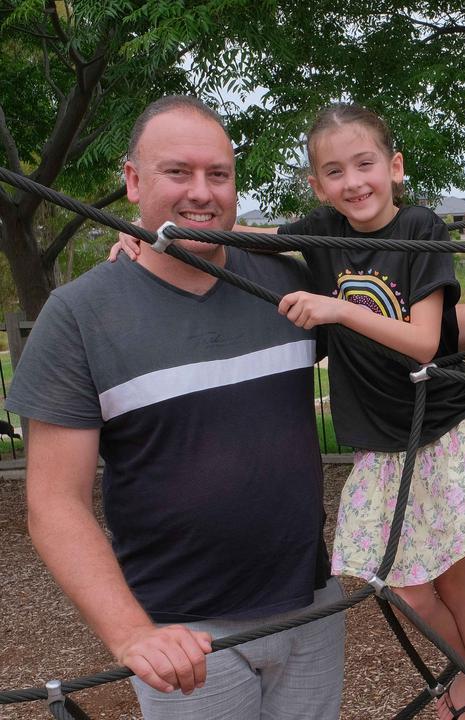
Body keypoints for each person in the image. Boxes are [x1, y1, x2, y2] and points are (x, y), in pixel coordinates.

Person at [9, 96, 345, 719]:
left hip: (314, 603)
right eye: (178, 173)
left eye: (219, 174)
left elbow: (403, 312)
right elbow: (53, 503)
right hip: (185, 635)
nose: (203, 192)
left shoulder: (283, 281)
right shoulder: (81, 315)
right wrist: (130, 633)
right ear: (133, 181)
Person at [260, 103, 465, 720]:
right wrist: (156, 237)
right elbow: (248, 241)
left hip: (443, 429)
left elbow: (425, 341)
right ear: (316, 184)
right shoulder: (325, 232)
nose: (353, 181)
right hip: (382, 441)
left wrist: (341, 310)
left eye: (365, 163)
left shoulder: (420, 227)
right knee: (402, 585)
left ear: (394, 166)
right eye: (334, 171)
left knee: (456, 583)